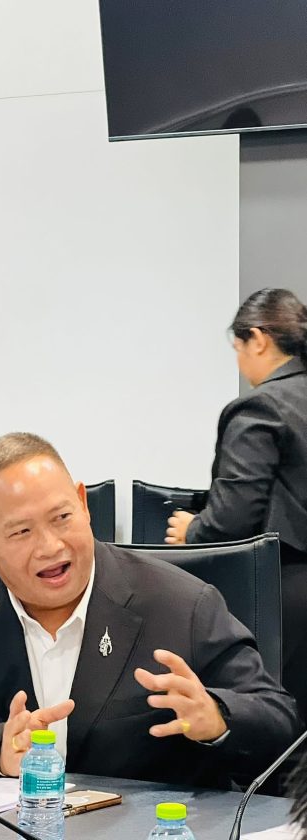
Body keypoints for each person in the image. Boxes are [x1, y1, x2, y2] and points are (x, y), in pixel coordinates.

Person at [0, 432, 300, 787]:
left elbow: (278, 719)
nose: (51, 547)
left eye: (62, 518)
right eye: (21, 532)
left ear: (83, 504)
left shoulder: (181, 604)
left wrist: (218, 717)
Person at [165, 288, 307, 720]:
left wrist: (192, 530)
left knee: (281, 719)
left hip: (285, 594)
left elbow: (233, 515)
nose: (240, 362)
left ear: (258, 339)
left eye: (238, 348)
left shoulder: (261, 407)